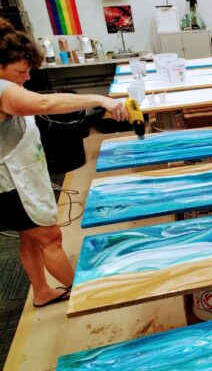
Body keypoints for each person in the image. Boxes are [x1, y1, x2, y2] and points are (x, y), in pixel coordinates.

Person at [0, 18, 128, 307]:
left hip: (19, 178)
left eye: (29, 71)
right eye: (21, 71)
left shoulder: (8, 85)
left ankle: (42, 292)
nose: (26, 78)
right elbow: (45, 104)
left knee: (30, 238)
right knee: (50, 238)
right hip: (10, 185)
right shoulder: (1, 91)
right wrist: (101, 100)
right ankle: (87, 297)